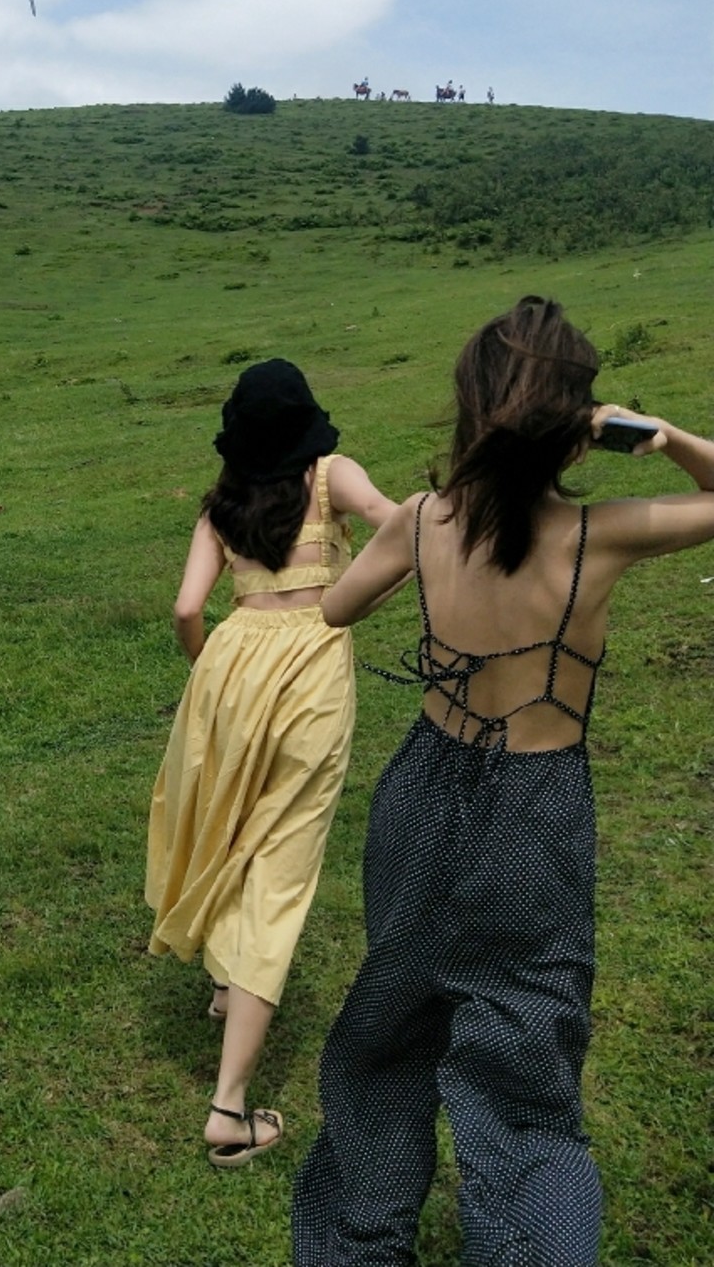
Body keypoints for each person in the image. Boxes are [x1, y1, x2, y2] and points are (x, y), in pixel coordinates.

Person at [291, 296, 714, 1266]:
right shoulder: (599, 533)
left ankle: (358, 1242)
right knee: (522, 1059)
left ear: (467, 408)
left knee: (386, 1025)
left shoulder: (420, 519)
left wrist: (414, 532)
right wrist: (658, 435)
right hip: (535, 806)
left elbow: (335, 610)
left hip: (422, 788)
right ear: (573, 426)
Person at [145, 360, 398, 1167]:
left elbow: (187, 608)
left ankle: (224, 983)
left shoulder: (218, 505)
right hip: (313, 666)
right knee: (281, 865)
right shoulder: (333, 477)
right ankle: (228, 1107)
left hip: (231, 661)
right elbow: (405, 531)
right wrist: (355, 594)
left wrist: (209, 668)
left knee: (226, 826)